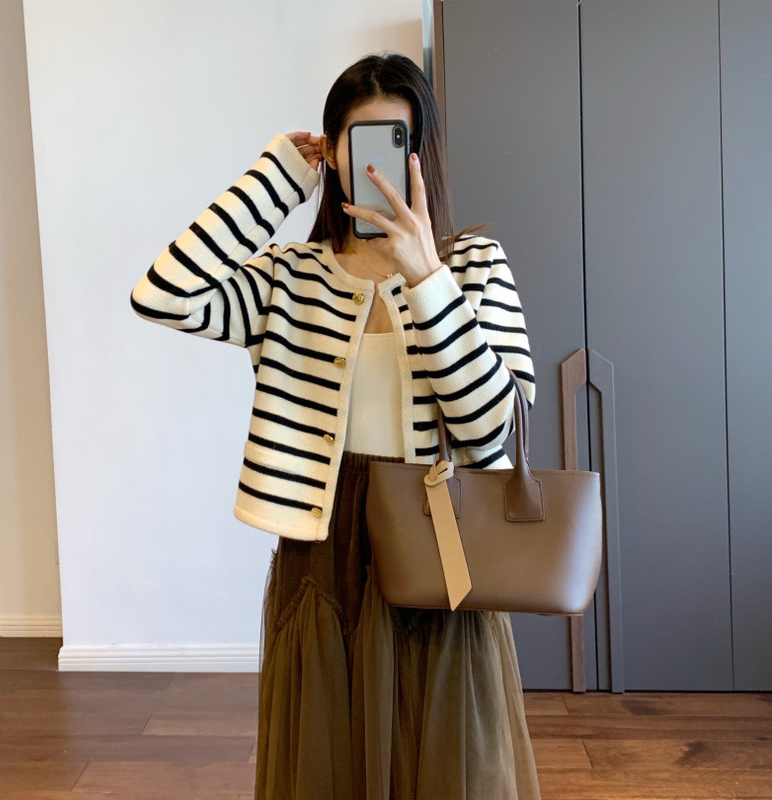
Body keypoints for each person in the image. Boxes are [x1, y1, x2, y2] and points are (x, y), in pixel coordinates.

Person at [132, 53, 540, 800]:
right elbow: (164, 294)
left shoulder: (473, 264)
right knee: (325, 763)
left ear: (422, 154)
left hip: (439, 540)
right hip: (322, 549)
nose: (377, 166)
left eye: (396, 142)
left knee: (443, 764)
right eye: (359, 143)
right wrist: (277, 179)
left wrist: (426, 277)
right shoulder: (290, 277)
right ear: (333, 152)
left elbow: (491, 432)